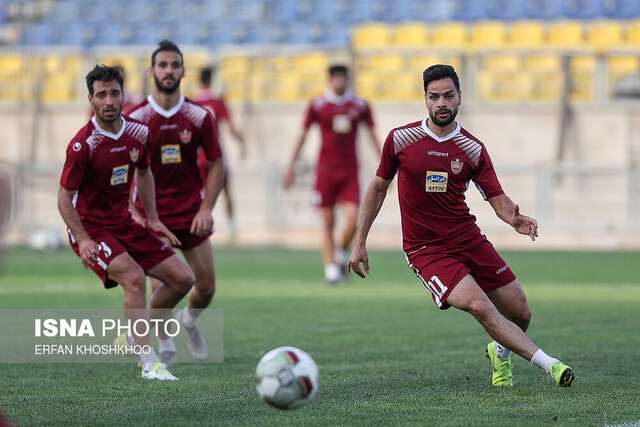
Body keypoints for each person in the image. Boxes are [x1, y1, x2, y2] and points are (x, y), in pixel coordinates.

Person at [348, 64, 576, 387]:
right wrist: (360, 242)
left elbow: (497, 199)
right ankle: (550, 364)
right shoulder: (401, 140)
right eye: (434, 96)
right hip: (426, 250)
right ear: (425, 100)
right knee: (479, 304)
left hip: (468, 239)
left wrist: (515, 219)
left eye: (448, 96)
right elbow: (377, 187)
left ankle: (500, 354)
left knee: (521, 311)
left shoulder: (472, 149)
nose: (441, 103)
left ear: (459, 98)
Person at [58, 65, 195, 380]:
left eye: (114, 93)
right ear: (91, 99)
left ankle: (136, 332)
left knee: (183, 279)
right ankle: (149, 363)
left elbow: (144, 173)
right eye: (101, 94)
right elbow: (64, 198)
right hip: (91, 228)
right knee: (134, 278)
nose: (109, 100)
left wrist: (153, 218)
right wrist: (83, 240)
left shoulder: (139, 133)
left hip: (123, 222)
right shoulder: (83, 145)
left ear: (123, 95)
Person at [128, 41, 224, 365]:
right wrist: (132, 213)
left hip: (190, 213)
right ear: (152, 71)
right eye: (163, 65)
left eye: (174, 65)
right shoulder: (137, 118)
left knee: (207, 287)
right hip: (152, 217)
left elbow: (217, 165)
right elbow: (124, 169)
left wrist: (206, 208)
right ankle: (162, 344)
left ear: (183, 70)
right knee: (165, 285)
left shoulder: (199, 116)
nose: (169, 70)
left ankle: (190, 322)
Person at [283, 64, 380, 284]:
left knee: (354, 219)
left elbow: (372, 134)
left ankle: (338, 253)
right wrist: (291, 166)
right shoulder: (318, 105)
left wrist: (385, 166)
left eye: (342, 78)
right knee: (327, 221)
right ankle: (331, 271)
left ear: (348, 80)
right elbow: (303, 134)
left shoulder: (360, 104)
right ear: (329, 80)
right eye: (335, 78)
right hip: (325, 171)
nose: (339, 82)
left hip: (350, 170)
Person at [193, 66, 247, 244]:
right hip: (215, 154)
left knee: (197, 192)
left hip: (198, 154)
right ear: (212, 80)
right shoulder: (218, 101)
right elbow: (229, 126)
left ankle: (196, 226)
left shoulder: (192, 102)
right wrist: (241, 141)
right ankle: (231, 228)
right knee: (226, 191)